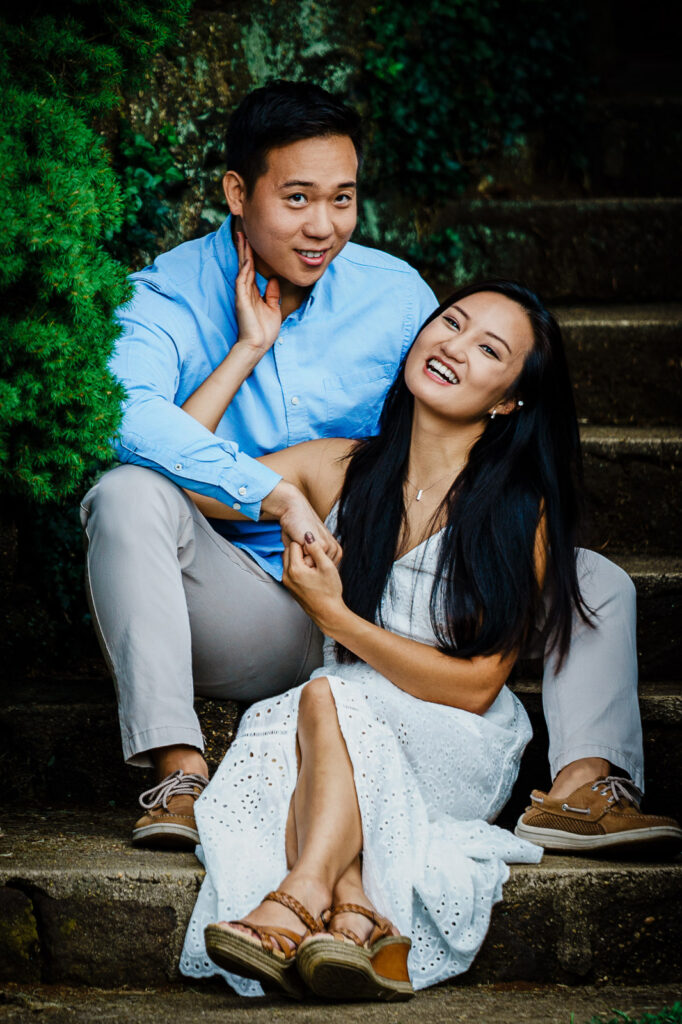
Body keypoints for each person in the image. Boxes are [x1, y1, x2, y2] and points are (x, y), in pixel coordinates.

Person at [81, 80, 653, 855]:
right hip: (255, 599)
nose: (323, 227)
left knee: (601, 583)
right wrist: (254, 387)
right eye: (298, 199)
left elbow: (449, 427)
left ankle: (584, 788)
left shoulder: (394, 296)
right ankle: (181, 773)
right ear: (237, 192)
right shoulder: (170, 295)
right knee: (125, 493)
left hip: (398, 578)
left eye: (343, 198)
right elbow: (128, 418)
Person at [178, 280, 681, 1001]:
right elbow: (186, 469)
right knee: (303, 709)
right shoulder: (340, 468)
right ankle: (354, 920)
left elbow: (477, 686)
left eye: (488, 349)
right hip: (339, 715)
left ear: (508, 400)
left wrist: (337, 618)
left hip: (454, 738)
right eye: (451, 322)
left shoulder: (516, 509)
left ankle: (298, 895)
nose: (453, 345)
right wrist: (252, 346)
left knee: (324, 695)